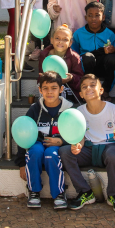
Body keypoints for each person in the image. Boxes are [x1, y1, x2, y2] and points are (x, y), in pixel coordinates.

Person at [60, 74, 115, 212]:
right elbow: (80, 137)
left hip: (108, 148)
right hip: (89, 149)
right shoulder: (79, 112)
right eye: (84, 87)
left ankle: (113, 195)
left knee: (113, 154)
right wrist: (78, 145)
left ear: (101, 90)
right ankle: (85, 192)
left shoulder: (112, 109)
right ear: (80, 94)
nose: (89, 88)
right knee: (64, 151)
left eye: (93, 85)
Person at [16, 71, 73, 210]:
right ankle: (34, 191)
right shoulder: (35, 109)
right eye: (45, 88)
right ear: (40, 90)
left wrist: (61, 141)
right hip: (38, 143)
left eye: (54, 88)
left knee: (51, 155)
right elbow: (23, 134)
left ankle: (59, 193)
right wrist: (21, 163)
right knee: (34, 151)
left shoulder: (69, 109)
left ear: (61, 89)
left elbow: (75, 134)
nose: (49, 92)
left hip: (57, 145)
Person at [72, 2, 115, 98]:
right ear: (86, 18)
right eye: (90, 16)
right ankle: (87, 89)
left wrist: (113, 50)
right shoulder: (79, 33)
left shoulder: (110, 34)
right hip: (87, 67)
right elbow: (74, 54)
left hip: (105, 68)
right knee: (87, 57)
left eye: (97, 15)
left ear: (103, 17)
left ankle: (106, 90)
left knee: (112, 58)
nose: (94, 19)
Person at [38, 25, 84, 103]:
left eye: (65, 39)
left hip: (68, 87)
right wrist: (43, 77)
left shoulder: (74, 57)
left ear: (70, 43)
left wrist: (71, 78)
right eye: (57, 38)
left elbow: (80, 78)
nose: (60, 41)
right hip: (49, 84)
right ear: (51, 40)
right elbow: (40, 75)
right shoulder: (45, 54)